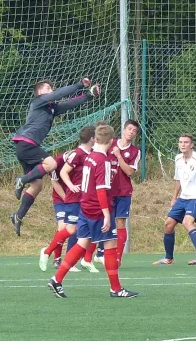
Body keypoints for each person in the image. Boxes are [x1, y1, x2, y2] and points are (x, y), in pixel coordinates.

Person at [48, 125, 139, 298]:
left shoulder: (89, 158)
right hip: (98, 209)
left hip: (85, 205)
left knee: (82, 243)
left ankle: (56, 279)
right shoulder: (102, 161)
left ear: (95, 140)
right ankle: (116, 288)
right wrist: (106, 214)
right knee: (110, 243)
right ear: (112, 141)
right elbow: (101, 190)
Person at [10, 78, 100, 235]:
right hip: (27, 143)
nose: (51, 90)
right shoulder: (38, 101)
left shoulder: (50, 108)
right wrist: (80, 84)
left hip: (27, 147)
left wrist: (89, 95)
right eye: (48, 88)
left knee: (37, 186)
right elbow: (59, 94)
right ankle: (21, 181)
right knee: (51, 164)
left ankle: (17, 216)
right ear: (40, 91)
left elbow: (69, 104)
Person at [153, 133, 196, 266]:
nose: (183, 144)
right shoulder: (178, 159)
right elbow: (178, 180)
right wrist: (174, 198)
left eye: (186, 142)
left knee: (187, 222)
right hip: (183, 198)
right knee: (168, 224)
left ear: (191, 145)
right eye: (181, 142)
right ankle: (168, 258)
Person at [39, 125, 98, 273]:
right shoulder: (75, 155)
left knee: (83, 230)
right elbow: (63, 174)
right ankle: (49, 252)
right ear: (92, 139)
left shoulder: (91, 154)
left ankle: (79, 260)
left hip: (84, 198)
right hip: (72, 198)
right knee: (69, 229)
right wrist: (71, 186)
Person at [108, 119, 141, 266]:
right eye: (129, 129)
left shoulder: (135, 151)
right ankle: (93, 256)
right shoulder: (109, 143)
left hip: (123, 191)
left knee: (120, 222)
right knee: (103, 222)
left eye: (134, 131)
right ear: (124, 129)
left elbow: (129, 171)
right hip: (107, 189)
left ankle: (117, 258)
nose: (131, 133)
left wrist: (119, 156)